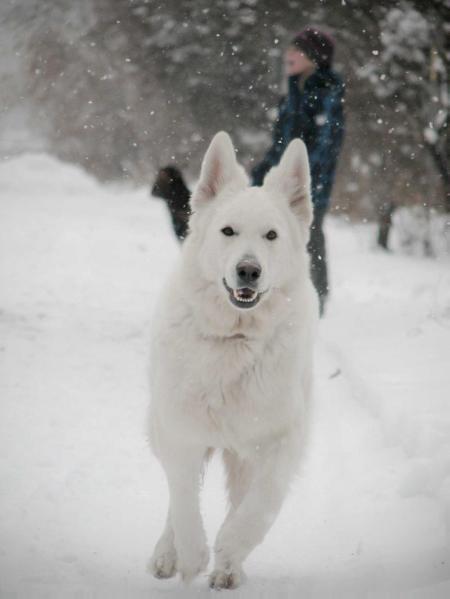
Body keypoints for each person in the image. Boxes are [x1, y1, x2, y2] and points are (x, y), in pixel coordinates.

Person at [252, 27, 345, 315]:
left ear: (315, 57)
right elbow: (281, 145)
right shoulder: (292, 94)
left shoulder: (327, 93)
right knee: (276, 234)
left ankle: (317, 300)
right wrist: (259, 173)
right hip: (279, 184)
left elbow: (325, 146)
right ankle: (277, 293)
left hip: (310, 185)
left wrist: (301, 182)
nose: (289, 55)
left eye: (299, 50)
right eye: (291, 48)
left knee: (310, 234)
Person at [152, 166, 191, 241]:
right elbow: (154, 193)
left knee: (187, 238)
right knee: (181, 237)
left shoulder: (177, 185)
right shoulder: (166, 187)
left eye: (164, 174)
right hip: (176, 216)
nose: (163, 176)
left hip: (185, 214)